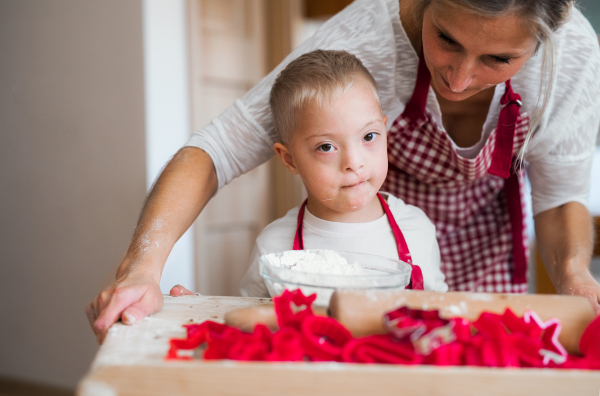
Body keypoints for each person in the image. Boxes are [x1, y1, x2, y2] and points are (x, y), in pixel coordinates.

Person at [87, 0, 600, 344]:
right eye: (445, 38)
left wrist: (575, 276)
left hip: (491, 237)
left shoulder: (571, 57)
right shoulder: (364, 38)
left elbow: (559, 198)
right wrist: (143, 270)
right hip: (364, 228)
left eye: (497, 58)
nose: (461, 78)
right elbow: (217, 149)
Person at [239, 50, 448, 297]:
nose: (353, 162)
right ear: (290, 159)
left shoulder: (416, 228)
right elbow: (250, 321)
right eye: (326, 147)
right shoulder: (274, 247)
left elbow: (438, 310)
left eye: (368, 136)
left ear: (384, 129)